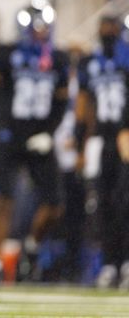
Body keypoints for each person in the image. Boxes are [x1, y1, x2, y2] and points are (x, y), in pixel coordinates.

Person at [0, 0, 68, 283]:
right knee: (3, 201)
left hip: (40, 137)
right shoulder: (7, 55)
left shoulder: (58, 59)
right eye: (35, 26)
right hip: (11, 134)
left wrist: (50, 131)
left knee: (55, 205)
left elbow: (61, 101)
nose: (40, 32)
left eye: (44, 26)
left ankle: (30, 246)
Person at [76, 15, 129, 287]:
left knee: (125, 200)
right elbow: (84, 104)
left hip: (126, 135)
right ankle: (110, 263)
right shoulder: (90, 62)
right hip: (103, 139)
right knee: (104, 202)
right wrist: (80, 141)